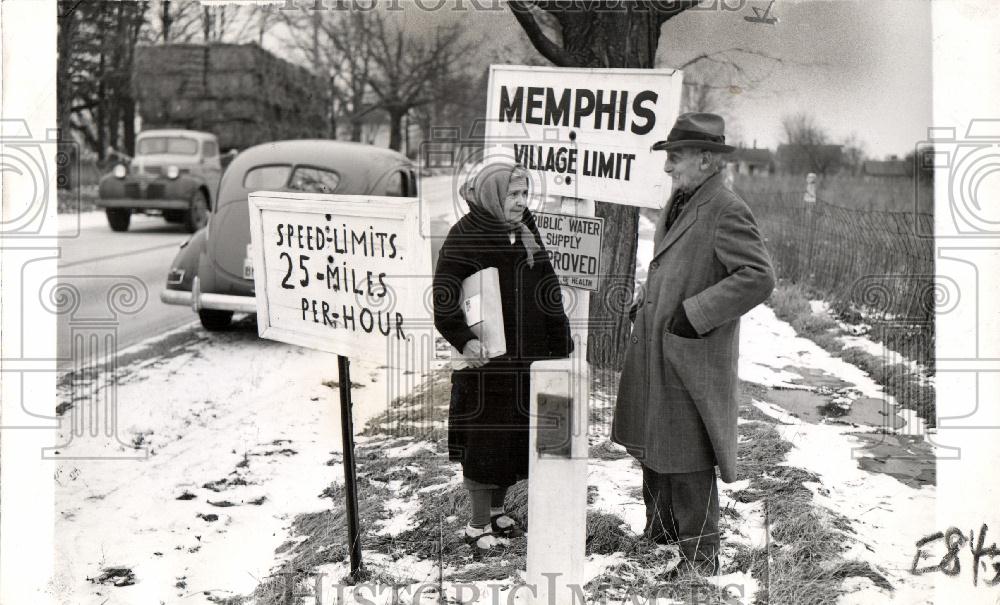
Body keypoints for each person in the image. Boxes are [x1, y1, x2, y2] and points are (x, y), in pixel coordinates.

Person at [612, 112, 775, 576]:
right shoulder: (682, 200)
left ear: (706, 159)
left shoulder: (726, 208)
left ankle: (701, 557)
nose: (668, 168)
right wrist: (651, 297)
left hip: (690, 352)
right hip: (657, 346)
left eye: (676, 158)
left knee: (687, 454)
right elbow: (676, 264)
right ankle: (661, 530)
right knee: (652, 439)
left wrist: (694, 314)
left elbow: (758, 277)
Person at [433, 161, 573, 557]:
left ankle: (497, 512)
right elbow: (443, 297)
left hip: (526, 361)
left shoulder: (526, 232)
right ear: (495, 194)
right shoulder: (466, 236)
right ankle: (476, 525)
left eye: (525, 194)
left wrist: (560, 344)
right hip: (486, 365)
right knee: (484, 443)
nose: (520, 202)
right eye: (513, 194)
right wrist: (464, 340)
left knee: (513, 441)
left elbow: (549, 290)